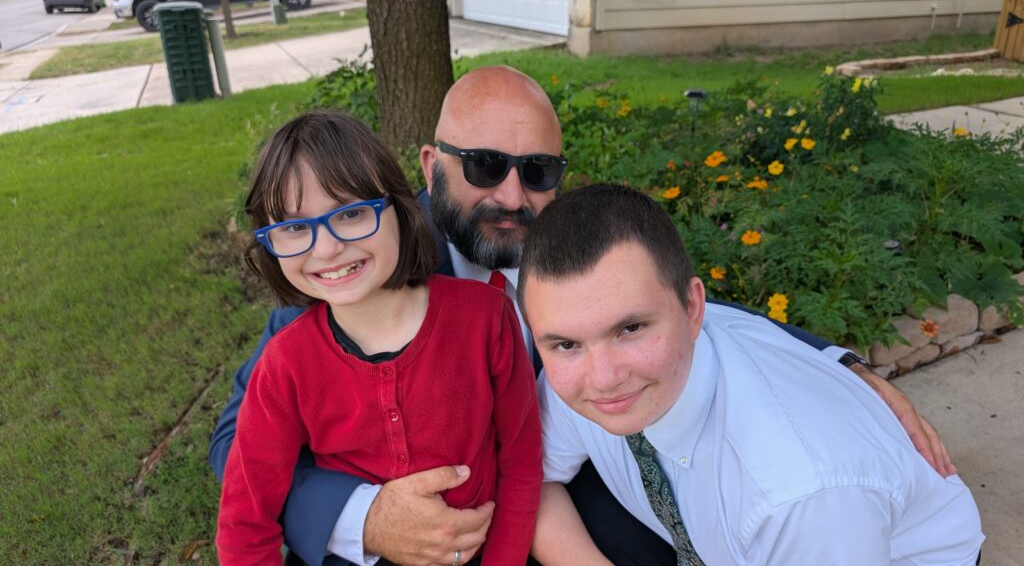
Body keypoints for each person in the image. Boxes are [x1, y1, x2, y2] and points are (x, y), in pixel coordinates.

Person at [208, 66, 954, 565]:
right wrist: (367, 518)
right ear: (433, 166)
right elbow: (234, 444)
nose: (512, 195)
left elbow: (667, 302)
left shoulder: (560, 241)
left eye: (538, 171)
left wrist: (841, 368)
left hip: (546, 484)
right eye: (484, 166)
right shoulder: (362, 271)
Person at [524, 184, 984, 565]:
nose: (603, 378)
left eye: (630, 329)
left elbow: (806, 507)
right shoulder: (589, 375)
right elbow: (530, 480)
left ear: (693, 308)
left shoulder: (800, 493)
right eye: (565, 344)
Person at [215, 111, 542, 565]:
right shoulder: (285, 363)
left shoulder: (486, 318)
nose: (327, 248)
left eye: (351, 213)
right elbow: (245, 523)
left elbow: (522, 465)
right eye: (294, 228)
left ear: (399, 208)